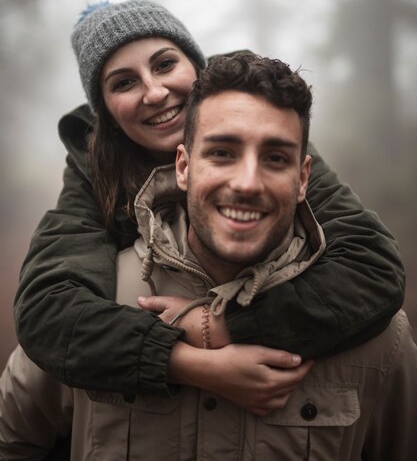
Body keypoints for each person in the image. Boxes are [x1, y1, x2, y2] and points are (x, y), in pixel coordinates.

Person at [1, 53, 415, 460]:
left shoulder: (377, 334)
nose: (248, 183)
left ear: (304, 177)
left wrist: (220, 325)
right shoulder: (92, 303)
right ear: (182, 166)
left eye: (275, 158)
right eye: (222, 153)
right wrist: (176, 357)